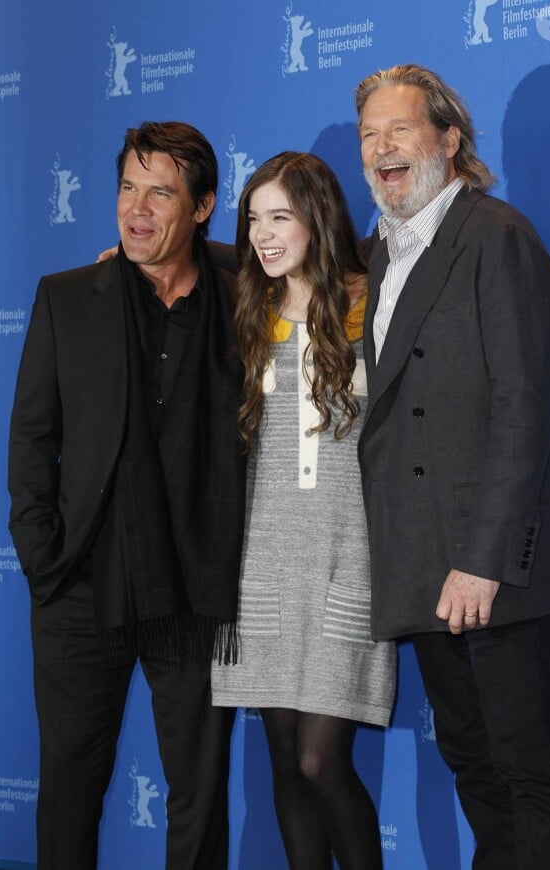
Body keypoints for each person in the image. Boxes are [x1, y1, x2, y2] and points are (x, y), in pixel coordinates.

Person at [355, 63, 550, 868]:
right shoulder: (375, 256)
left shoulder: (497, 235)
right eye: (369, 135)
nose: (381, 148)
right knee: (474, 765)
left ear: (449, 142)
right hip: (425, 570)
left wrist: (482, 563)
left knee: (532, 775)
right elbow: (283, 268)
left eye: (399, 130)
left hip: (495, 576)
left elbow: (525, 410)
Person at [8, 121, 246, 870]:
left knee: (197, 795)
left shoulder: (245, 289)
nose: (137, 210)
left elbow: (346, 263)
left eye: (161, 194)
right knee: (71, 790)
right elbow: (30, 439)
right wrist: (45, 557)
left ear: (203, 206)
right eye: (127, 189)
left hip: (196, 586)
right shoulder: (68, 298)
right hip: (83, 584)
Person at [211, 151, 396, 870]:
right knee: (285, 763)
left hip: (345, 559)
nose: (262, 233)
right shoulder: (247, 309)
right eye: (253, 219)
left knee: (322, 762)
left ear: (316, 217)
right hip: (260, 564)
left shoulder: (373, 298)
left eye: (280, 216)